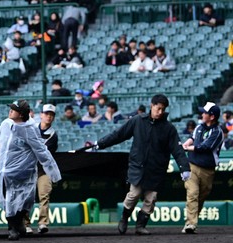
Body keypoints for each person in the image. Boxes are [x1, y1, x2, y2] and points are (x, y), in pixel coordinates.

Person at [89, 94, 191, 235]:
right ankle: (124, 218)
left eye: (163, 109)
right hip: (138, 167)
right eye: (158, 108)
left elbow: (178, 150)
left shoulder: (169, 128)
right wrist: (100, 144)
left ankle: (140, 225)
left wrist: (184, 168)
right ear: (152, 105)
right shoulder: (138, 121)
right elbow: (119, 135)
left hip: (156, 170)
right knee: (133, 194)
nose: (160, 112)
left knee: (151, 199)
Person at [0, 100, 61, 240]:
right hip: (6, 171)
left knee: (26, 200)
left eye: (13, 109)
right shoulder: (6, 123)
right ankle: (13, 227)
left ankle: (18, 222)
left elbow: (42, 152)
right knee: (7, 200)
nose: (10, 111)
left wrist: (54, 173)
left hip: (25, 172)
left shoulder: (30, 129)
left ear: (20, 114)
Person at [181, 102, 224, 234]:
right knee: (192, 193)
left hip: (207, 169)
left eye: (205, 113)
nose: (202, 114)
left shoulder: (217, 132)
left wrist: (187, 148)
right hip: (192, 165)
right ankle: (191, 224)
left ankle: (190, 221)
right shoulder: (199, 127)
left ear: (212, 117)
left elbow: (205, 147)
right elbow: (192, 138)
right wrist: (187, 143)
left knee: (201, 196)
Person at [32, 104, 59, 234]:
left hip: (44, 169)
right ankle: (25, 224)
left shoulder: (53, 135)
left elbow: (45, 153)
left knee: (44, 195)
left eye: (51, 114)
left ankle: (43, 223)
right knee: (26, 197)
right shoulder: (32, 129)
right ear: (41, 115)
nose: (48, 116)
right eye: (46, 114)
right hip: (29, 168)